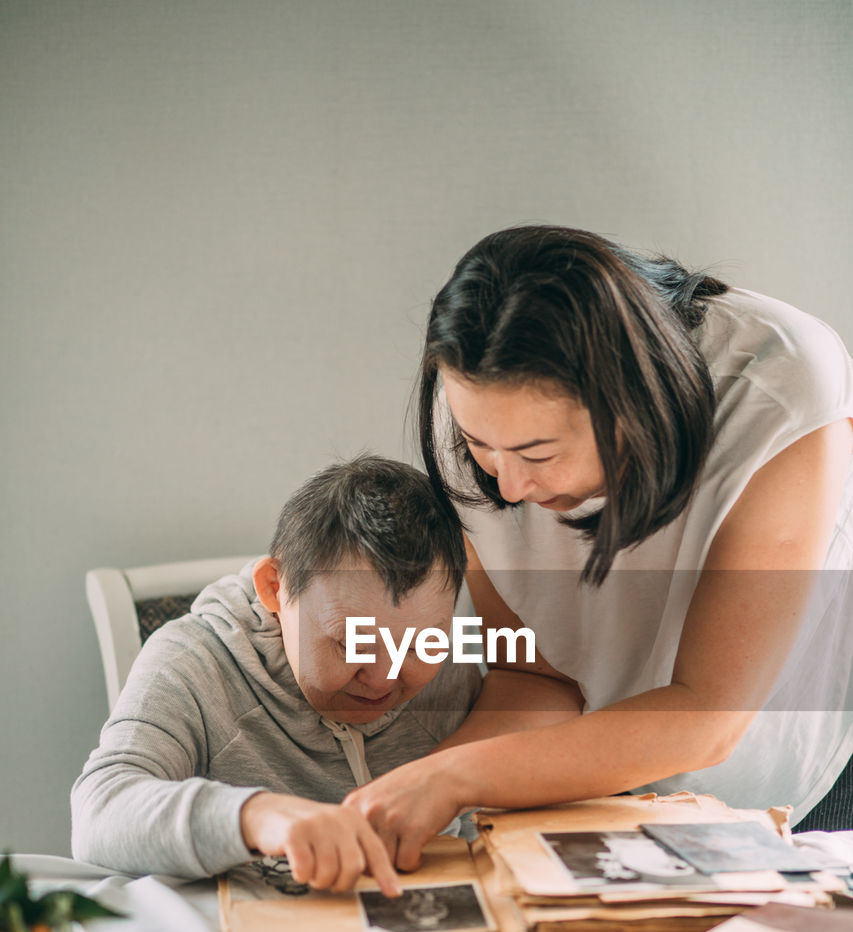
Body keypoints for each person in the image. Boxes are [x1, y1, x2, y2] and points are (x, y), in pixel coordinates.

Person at [344, 226, 853, 868]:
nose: (508, 484)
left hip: (796, 778)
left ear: (630, 407)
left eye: (538, 454)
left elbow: (708, 713)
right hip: (604, 779)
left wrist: (456, 780)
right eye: (478, 445)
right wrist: (418, 791)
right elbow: (531, 672)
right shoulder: (478, 407)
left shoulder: (780, 381)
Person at [71, 457, 481, 892]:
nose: (383, 678)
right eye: (348, 642)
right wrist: (256, 816)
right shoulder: (191, 662)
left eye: (420, 644)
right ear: (274, 587)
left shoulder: (453, 664)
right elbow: (99, 812)